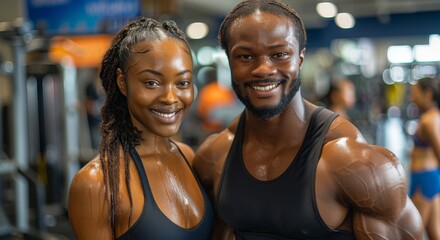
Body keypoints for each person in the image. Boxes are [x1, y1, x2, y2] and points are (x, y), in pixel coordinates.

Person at [192, 0, 423, 239]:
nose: (263, 69)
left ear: (300, 59)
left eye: (279, 54)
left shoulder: (356, 163)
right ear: (229, 61)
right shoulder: (215, 155)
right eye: (245, 56)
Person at [68, 17, 214, 240]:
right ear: (122, 82)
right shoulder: (96, 183)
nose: (170, 98)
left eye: (182, 83)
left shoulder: (188, 156)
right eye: (152, 83)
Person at [409, 77, 440, 239]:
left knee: (413, 234)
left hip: (424, 180)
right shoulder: (431, 116)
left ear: (427, 94)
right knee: (435, 233)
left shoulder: (429, 120)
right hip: (427, 179)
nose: (412, 98)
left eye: (415, 93)